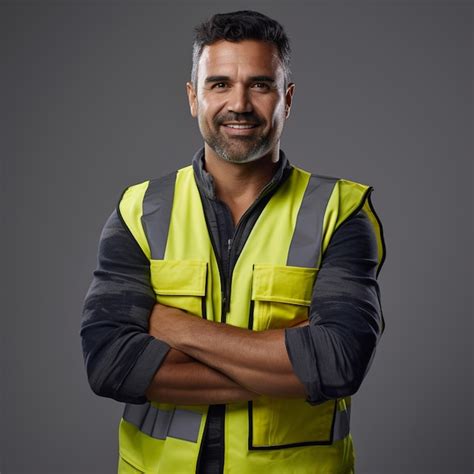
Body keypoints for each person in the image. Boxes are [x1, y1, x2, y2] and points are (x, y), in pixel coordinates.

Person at [81, 10, 386, 474]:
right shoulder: (139, 210)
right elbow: (111, 366)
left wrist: (174, 327)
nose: (239, 103)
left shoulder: (340, 211)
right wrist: (287, 365)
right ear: (193, 97)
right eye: (219, 84)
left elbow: (339, 363)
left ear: (287, 98)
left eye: (260, 85)